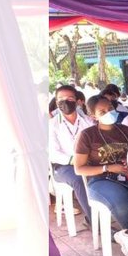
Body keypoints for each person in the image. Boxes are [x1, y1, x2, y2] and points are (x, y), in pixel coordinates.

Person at [74, 95, 128, 256]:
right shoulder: (87, 135)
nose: (109, 113)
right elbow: (79, 169)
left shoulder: (125, 130)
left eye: (111, 109)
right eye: (102, 111)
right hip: (100, 181)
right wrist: (108, 167)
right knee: (122, 203)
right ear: (93, 116)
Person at [49, 85, 94, 225]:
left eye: (69, 98)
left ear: (77, 101)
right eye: (61, 99)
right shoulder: (52, 125)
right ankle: (93, 221)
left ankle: (103, 212)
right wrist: (73, 160)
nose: (65, 102)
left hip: (87, 161)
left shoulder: (88, 121)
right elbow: (53, 153)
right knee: (78, 178)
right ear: (56, 103)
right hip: (62, 167)